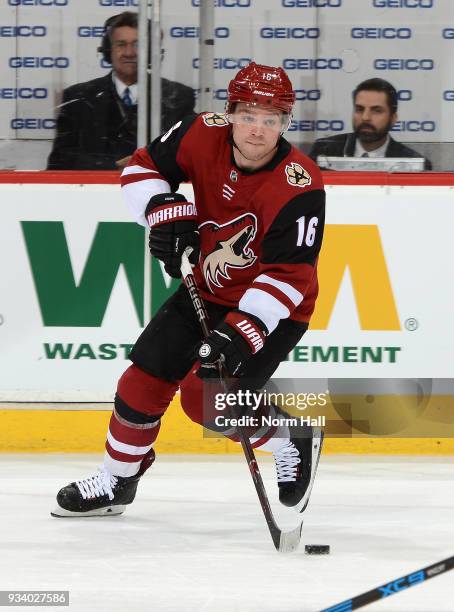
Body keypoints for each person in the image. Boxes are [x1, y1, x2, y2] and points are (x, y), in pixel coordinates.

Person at [52, 62, 326, 519]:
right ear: (230, 112)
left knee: (207, 401)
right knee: (141, 382)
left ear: (285, 122)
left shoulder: (300, 185)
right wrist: (166, 211)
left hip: (275, 306)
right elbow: (141, 169)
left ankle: (288, 437)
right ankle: (118, 481)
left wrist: (244, 331)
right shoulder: (201, 132)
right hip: (208, 286)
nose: (258, 130)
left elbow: (289, 277)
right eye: (249, 116)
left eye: (271, 119)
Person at [47, 11, 195, 170]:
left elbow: (193, 157)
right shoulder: (78, 98)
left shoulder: (179, 97)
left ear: (152, 52)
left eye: (139, 45)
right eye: (121, 44)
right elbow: (59, 161)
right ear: (107, 51)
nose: (129, 53)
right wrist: (113, 166)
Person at [309, 78, 432, 170]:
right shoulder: (325, 150)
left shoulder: (414, 163)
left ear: (393, 118)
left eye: (376, 111)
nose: (365, 117)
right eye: (359, 109)